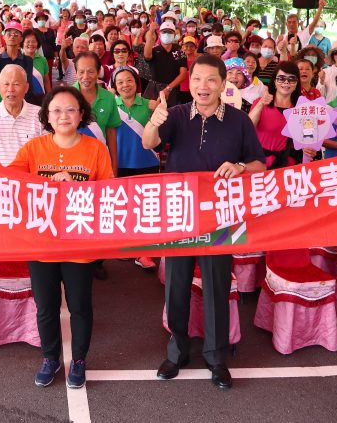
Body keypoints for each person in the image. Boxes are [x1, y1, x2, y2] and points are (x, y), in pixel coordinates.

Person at [141, 54, 266, 390]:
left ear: (224, 84)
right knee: (176, 285)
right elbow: (149, 142)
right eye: (196, 79)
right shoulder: (177, 114)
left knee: (216, 286)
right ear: (189, 82)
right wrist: (154, 121)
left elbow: (259, 163)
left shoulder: (239, 121)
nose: (203, 86)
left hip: (220, 218)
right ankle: (177, 351)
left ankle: (216, 357)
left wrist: (240, 167)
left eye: (211, 79)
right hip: (180, 213)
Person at [0, 86, 112, 390]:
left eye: (70, 109)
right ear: (47, 116)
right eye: (56, 110)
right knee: (45, 306)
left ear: (81, 114)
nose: (63, 116)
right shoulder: (34, 148)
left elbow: (108, 194)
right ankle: (50, 357)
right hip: (41, 242)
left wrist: (76, 188)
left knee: (80, 306)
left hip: (80, 243)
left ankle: (78, 360)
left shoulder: (96, 149)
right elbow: (10, 183)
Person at [112, 66, 161, 271]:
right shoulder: (110, 106)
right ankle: (126, 245)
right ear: (115, 86)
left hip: (147, 163)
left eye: (129, 80)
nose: (125, 85)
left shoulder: (150, 105)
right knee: (122, 207)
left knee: (146, 208)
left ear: (136, 83)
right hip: (119, 164)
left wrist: (159, 107)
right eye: (120, 82)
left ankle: (144, 252)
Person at [250, 61, 304, 169]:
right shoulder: (260, 103)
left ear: (297, 83)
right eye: (281, 78)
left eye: (291, 79)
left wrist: (308, 148)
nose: (286, 82)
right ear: (274, 81)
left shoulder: (301, 108)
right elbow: (248, 128)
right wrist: (261, 103)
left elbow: (307, 136)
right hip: (261, 164)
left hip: (289, 165)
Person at [74, 52, 120, 176]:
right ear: (76, 72)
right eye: (81, 72)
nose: (85, 77)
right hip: (72, 164)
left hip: (100, 162)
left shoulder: (108, 97)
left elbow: (111, 132)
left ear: (98, 72)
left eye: (90, 71)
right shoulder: (66, 96)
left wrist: (114, 167)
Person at [143, 20, 188, 103]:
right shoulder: (154, 51)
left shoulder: (180, 53)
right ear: (160, 34)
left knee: (171, 111)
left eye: (170, 32)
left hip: (172, 89)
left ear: (174, 35)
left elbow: (183, 74)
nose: (167, 34)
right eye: (164, 32)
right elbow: (147, 55)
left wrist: (168, 88)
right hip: (153, 89)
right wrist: (151, 31)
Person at [22, 30, 51, 96]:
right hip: (23, 98)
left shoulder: (42, 60)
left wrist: (50, 96)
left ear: (37, 43)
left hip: (40, 97)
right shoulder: (18, 60)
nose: (31, 44)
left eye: (33, 41)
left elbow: (46, 81)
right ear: (22, 43)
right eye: (28, 42)